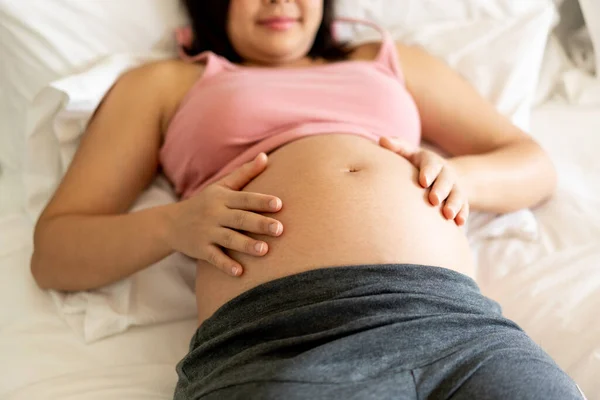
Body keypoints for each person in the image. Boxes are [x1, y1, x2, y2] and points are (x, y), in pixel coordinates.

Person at [30, 0, 585, 399]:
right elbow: (55, 251)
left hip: (459, 329)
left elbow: (532, 163)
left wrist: (463, 177)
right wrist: (172, 226)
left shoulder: (389, 61)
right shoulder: (164, 82)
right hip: (279, 342)